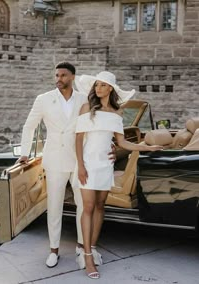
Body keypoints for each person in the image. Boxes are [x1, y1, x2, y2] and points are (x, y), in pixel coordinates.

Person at [17, 62, 106, 268]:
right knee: (54, 205)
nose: (59, 79)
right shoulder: (44, 99)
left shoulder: (85, 99)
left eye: (63, 75)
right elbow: (29, 126)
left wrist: (108, 147)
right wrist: (24, 153)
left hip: (80, 160)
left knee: (83, 205)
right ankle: (53, 250)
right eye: (56, 75)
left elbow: (97, 126)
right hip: (54, 159)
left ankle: (81, 248)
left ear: (72, 77)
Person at [75, 71, 163, 279]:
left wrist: (147, 148)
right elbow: (78, 140)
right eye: (96, 85)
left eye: (103, 85)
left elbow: (122, 143)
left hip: (106, 164)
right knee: (87, 207)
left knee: (99, 206)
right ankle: (86, 256)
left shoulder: (116, 113)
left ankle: (93, 247)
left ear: (110, 89)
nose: (98, 89)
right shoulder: (86, 108)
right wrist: (80, 166)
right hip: (88, 163)